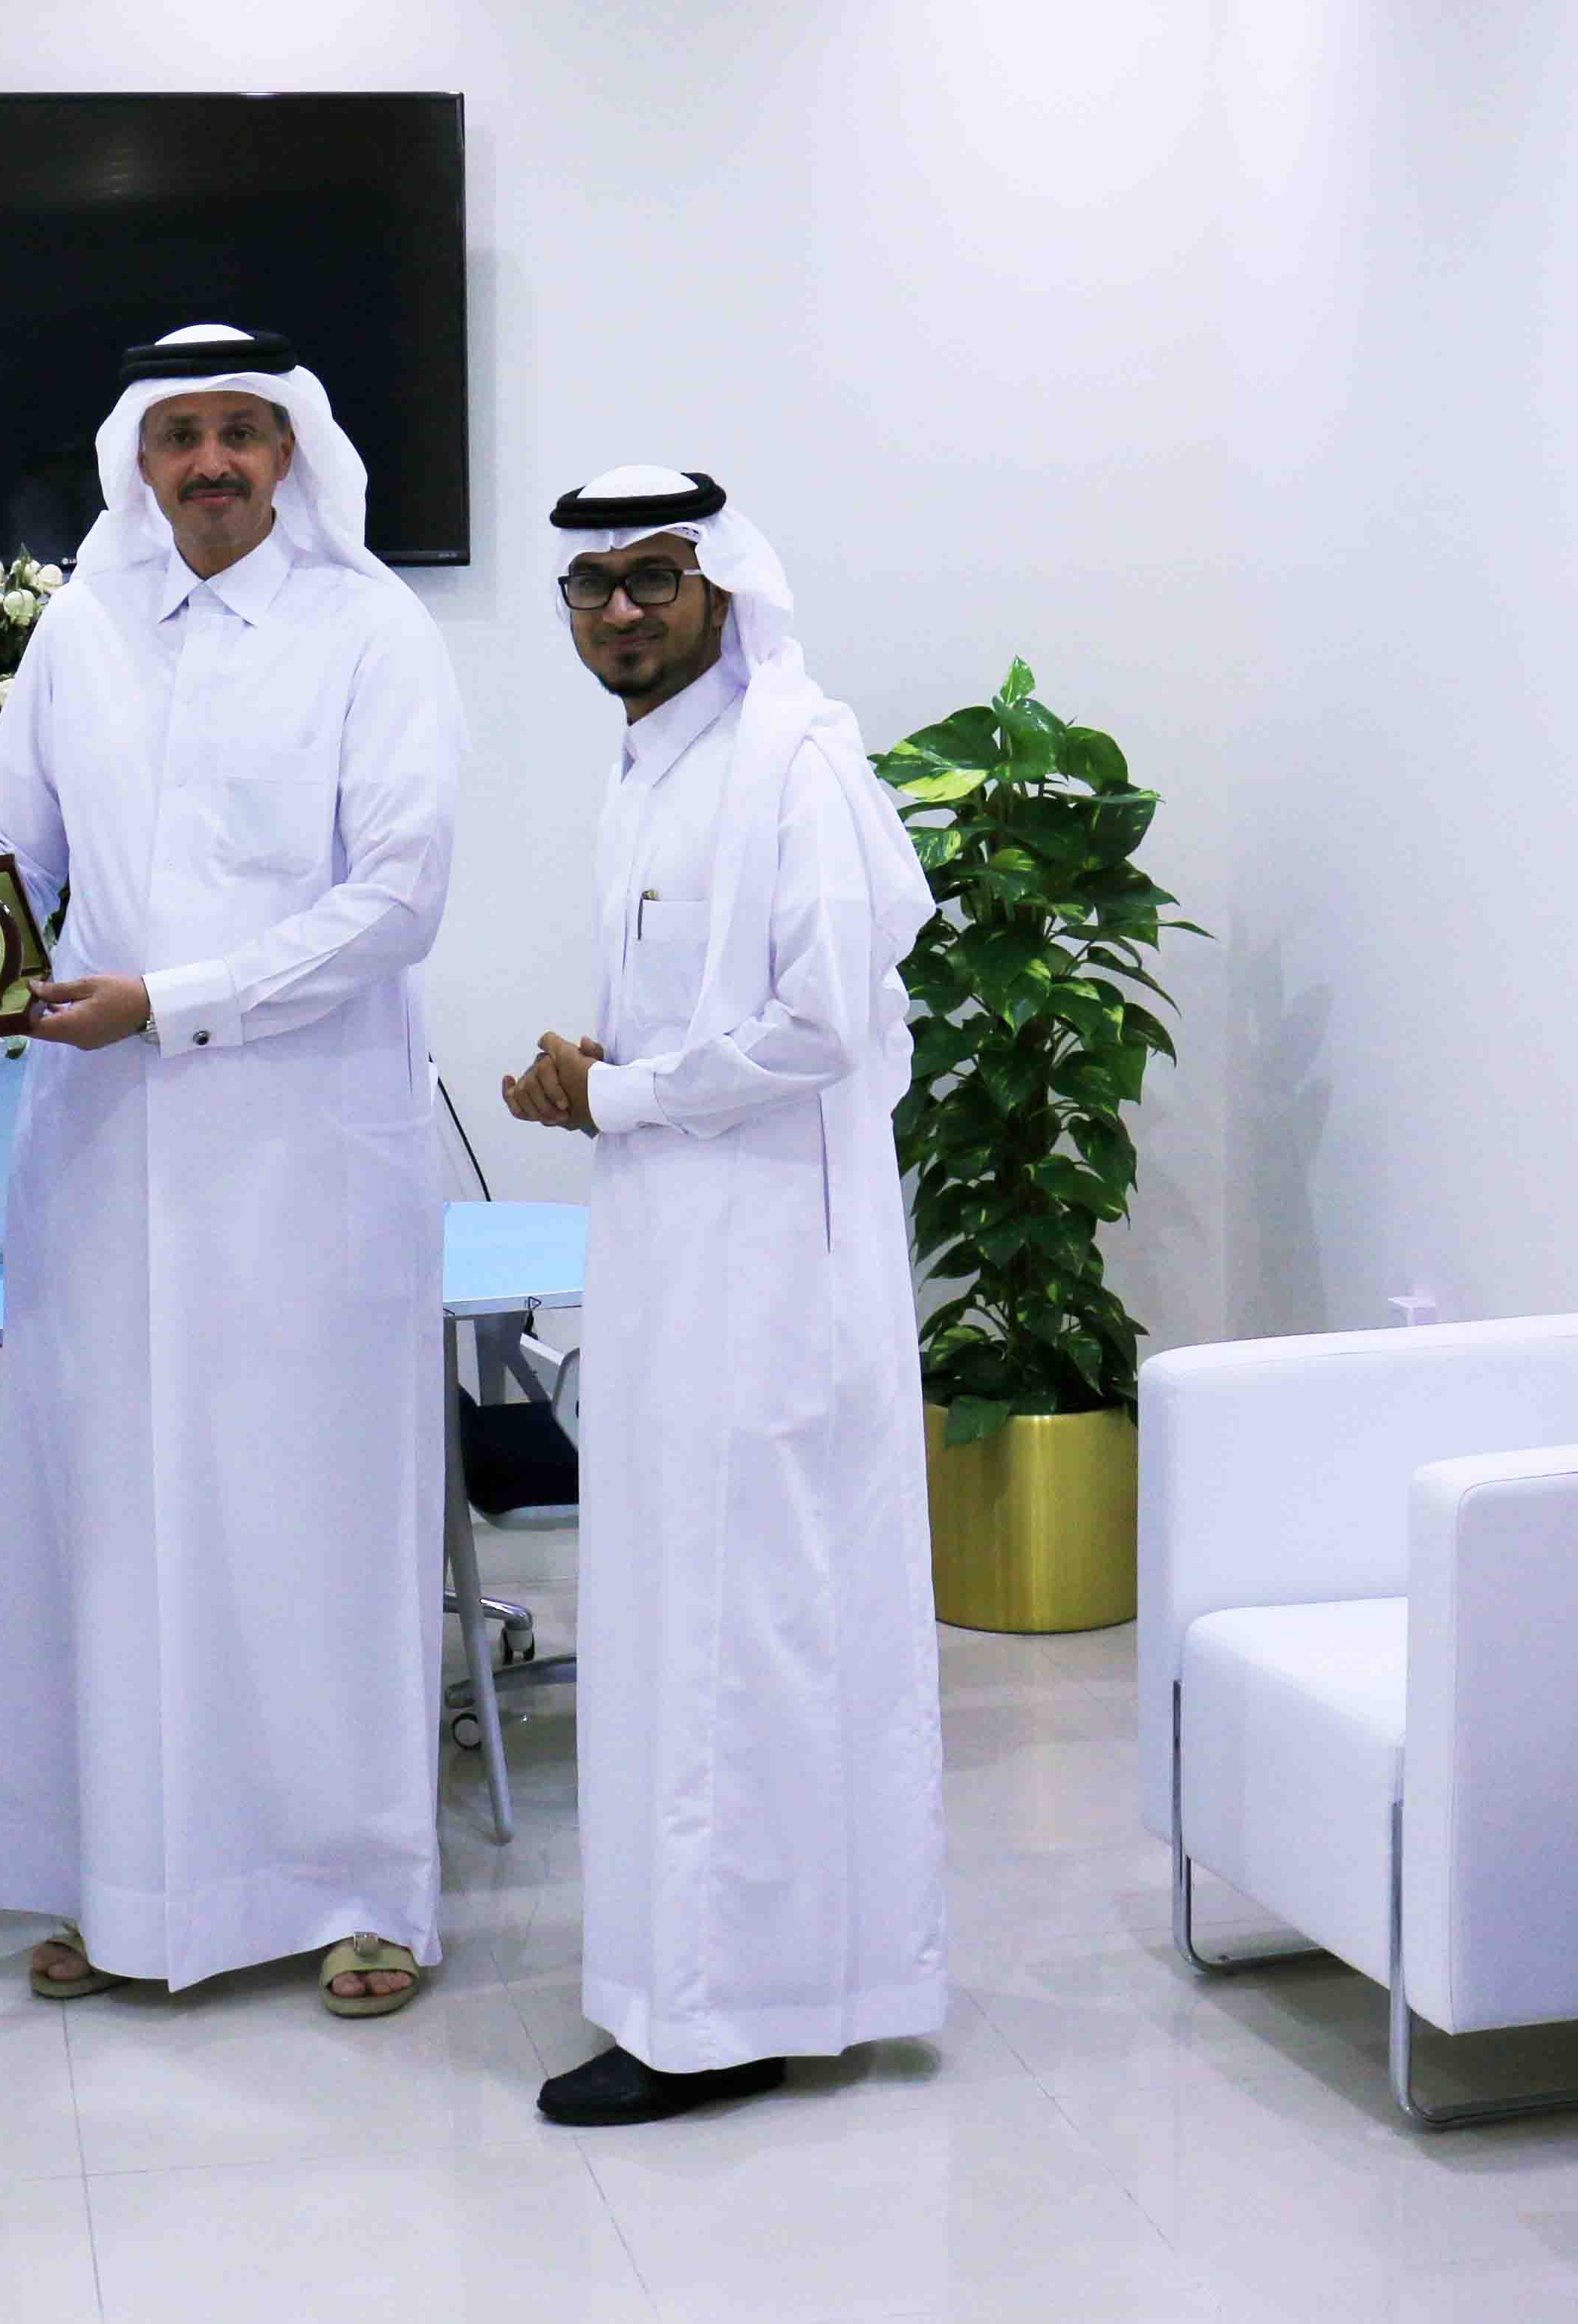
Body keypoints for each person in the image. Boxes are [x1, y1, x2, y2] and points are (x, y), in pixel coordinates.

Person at [0, 324, 461, 2015]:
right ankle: (125, 1892)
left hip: (301, 1161)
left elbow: (397, 899)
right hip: (102, 1156)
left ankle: (359, 1893)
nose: (213, 463)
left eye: (243, 431)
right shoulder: (79, 633)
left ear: (291, 452)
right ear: (139, 459)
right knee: (113, 1520)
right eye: (183, 436)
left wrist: (171, 1001)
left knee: (312, 1520)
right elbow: (1, 847)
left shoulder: (372, 631)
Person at [502, 465, 946, 2123]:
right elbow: (712, 1015)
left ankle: (718, 2016)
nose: (622, 608)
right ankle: (773, 1976)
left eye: (654, 577)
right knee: (694, 1612)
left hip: (770, 1268)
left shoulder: (790, 761)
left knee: (736, 1621)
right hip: (678, 1244)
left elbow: (824, 1025)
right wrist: (598, 1074)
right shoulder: (651, 767)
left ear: (719, 588)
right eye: (593, 584)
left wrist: (619, 1091)